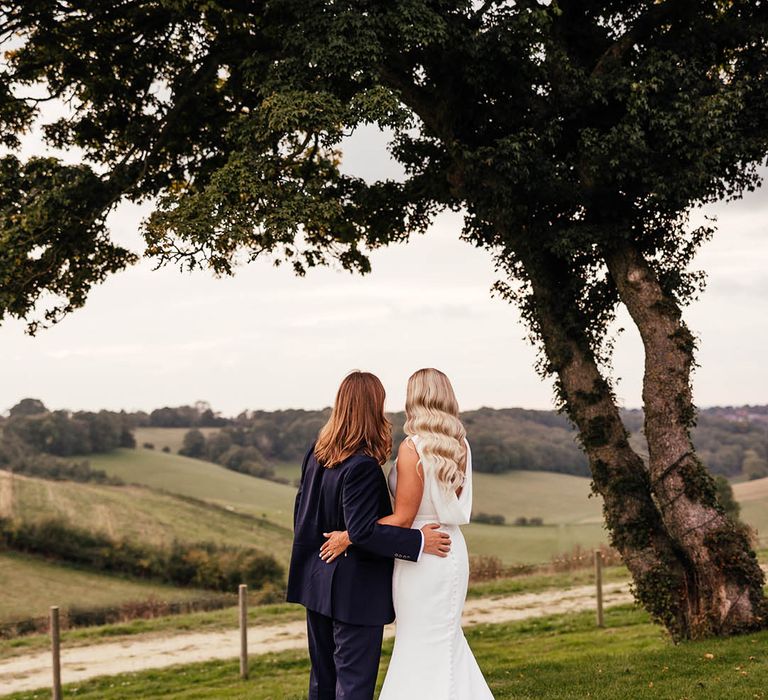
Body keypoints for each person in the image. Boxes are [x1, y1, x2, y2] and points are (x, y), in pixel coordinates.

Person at [321, 368, 494, 699]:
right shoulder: (461, 445)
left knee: (419, 640)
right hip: (451, 548)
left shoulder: (412, 448)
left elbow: (402, 518)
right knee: (445, 638)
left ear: (415, 398)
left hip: (421, 554)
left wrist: (350, 535)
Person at [286, 370, 452, 700]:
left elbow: (300, 512)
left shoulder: (316, 453)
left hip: (316, 581)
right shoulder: (360, 465)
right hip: (353, 591)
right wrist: (419, 541)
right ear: (372, 408)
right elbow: (361, 531)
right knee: (353, 686)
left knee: (322, 683)